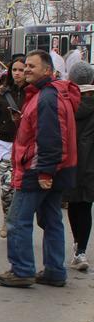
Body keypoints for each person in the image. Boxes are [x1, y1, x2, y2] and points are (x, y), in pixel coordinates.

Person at [0, 50, 79, 288]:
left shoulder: (47, 98)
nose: (27, 69)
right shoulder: (47, 94)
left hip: (37, 170)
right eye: (26, 66)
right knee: (51, 220)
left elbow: (51, 138)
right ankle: (54, 271)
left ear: (47, 70)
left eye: (33, 66)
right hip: (53, 169)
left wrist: (44, 173)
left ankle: (21, 271)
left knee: (17, 220)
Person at [0, 58, 26, 238]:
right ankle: (7, 220)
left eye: (21, 70)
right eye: (14, 69)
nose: (17, 73)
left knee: (22, 189)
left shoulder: (34, 93)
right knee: (7, 188)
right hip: (6, 146)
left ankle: (19, 222)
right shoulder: (1, 95)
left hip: (27, 147)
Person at [65, 62, 94, 272]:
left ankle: (77, 247)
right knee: (85, 205)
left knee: (73, 204)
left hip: (71, 162)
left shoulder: (68, 102)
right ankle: (81, 250)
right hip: (91, 163)